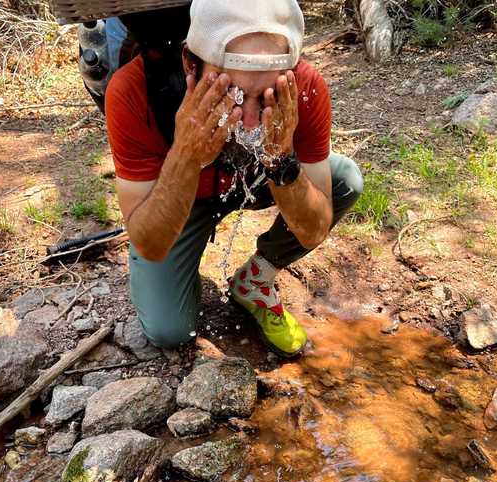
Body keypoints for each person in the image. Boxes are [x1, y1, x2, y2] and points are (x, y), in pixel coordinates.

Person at [105, 0, 363, 358]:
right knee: (169, 329)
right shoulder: (133, 91)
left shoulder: (304, 88)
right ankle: (181, 276)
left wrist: (281, 159)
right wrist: (185, 154)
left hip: (259, 181)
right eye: (235, 95)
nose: (252, 121)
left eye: (267, 97)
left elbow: (312, 230)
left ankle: (255, 281)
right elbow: (150, 243)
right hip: (183, 194)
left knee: (344, 179)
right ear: (190, 64)